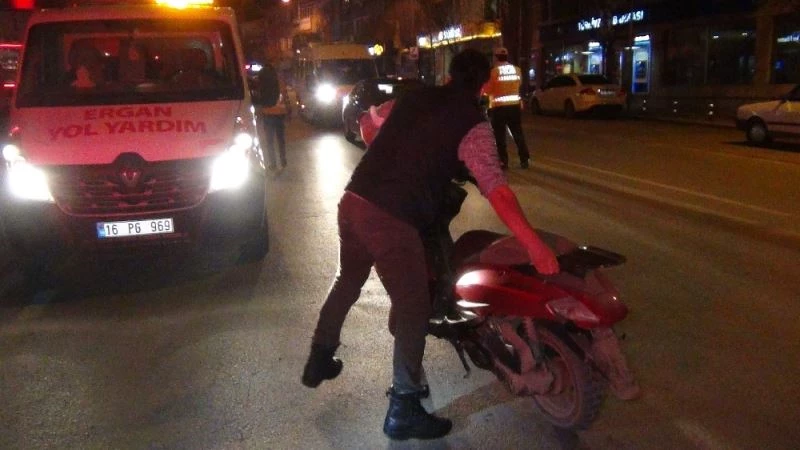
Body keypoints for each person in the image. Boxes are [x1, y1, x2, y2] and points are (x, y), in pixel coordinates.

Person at [301, 48, 559, 441]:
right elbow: (496, 189)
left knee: (347, 281)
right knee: (413, 306)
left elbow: (368, 125)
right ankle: (404, 407)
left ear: (450, 75)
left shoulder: (414, 97)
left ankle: (319, 357)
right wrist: (534, 244)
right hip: (391, 218)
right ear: (485, 84)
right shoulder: (472, 123)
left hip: (353, 203)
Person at [481, 47, 530, 169]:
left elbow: (487, 90)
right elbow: (519, 84)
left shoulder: (494, 72)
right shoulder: (517, 70)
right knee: (518, 133)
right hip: (514, 106)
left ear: (496, 58)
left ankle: (503, 161)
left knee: (500, 136)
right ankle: (524, 159)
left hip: (499, 108)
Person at [256, 63, 289, 169]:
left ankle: (273, 163)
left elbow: (259, 97)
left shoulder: (262, 81)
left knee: (269, 140)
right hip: (279, 113)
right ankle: (283, 159)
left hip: (267, 113)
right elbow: (284, 95)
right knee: (280, 139)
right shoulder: (278, 79)